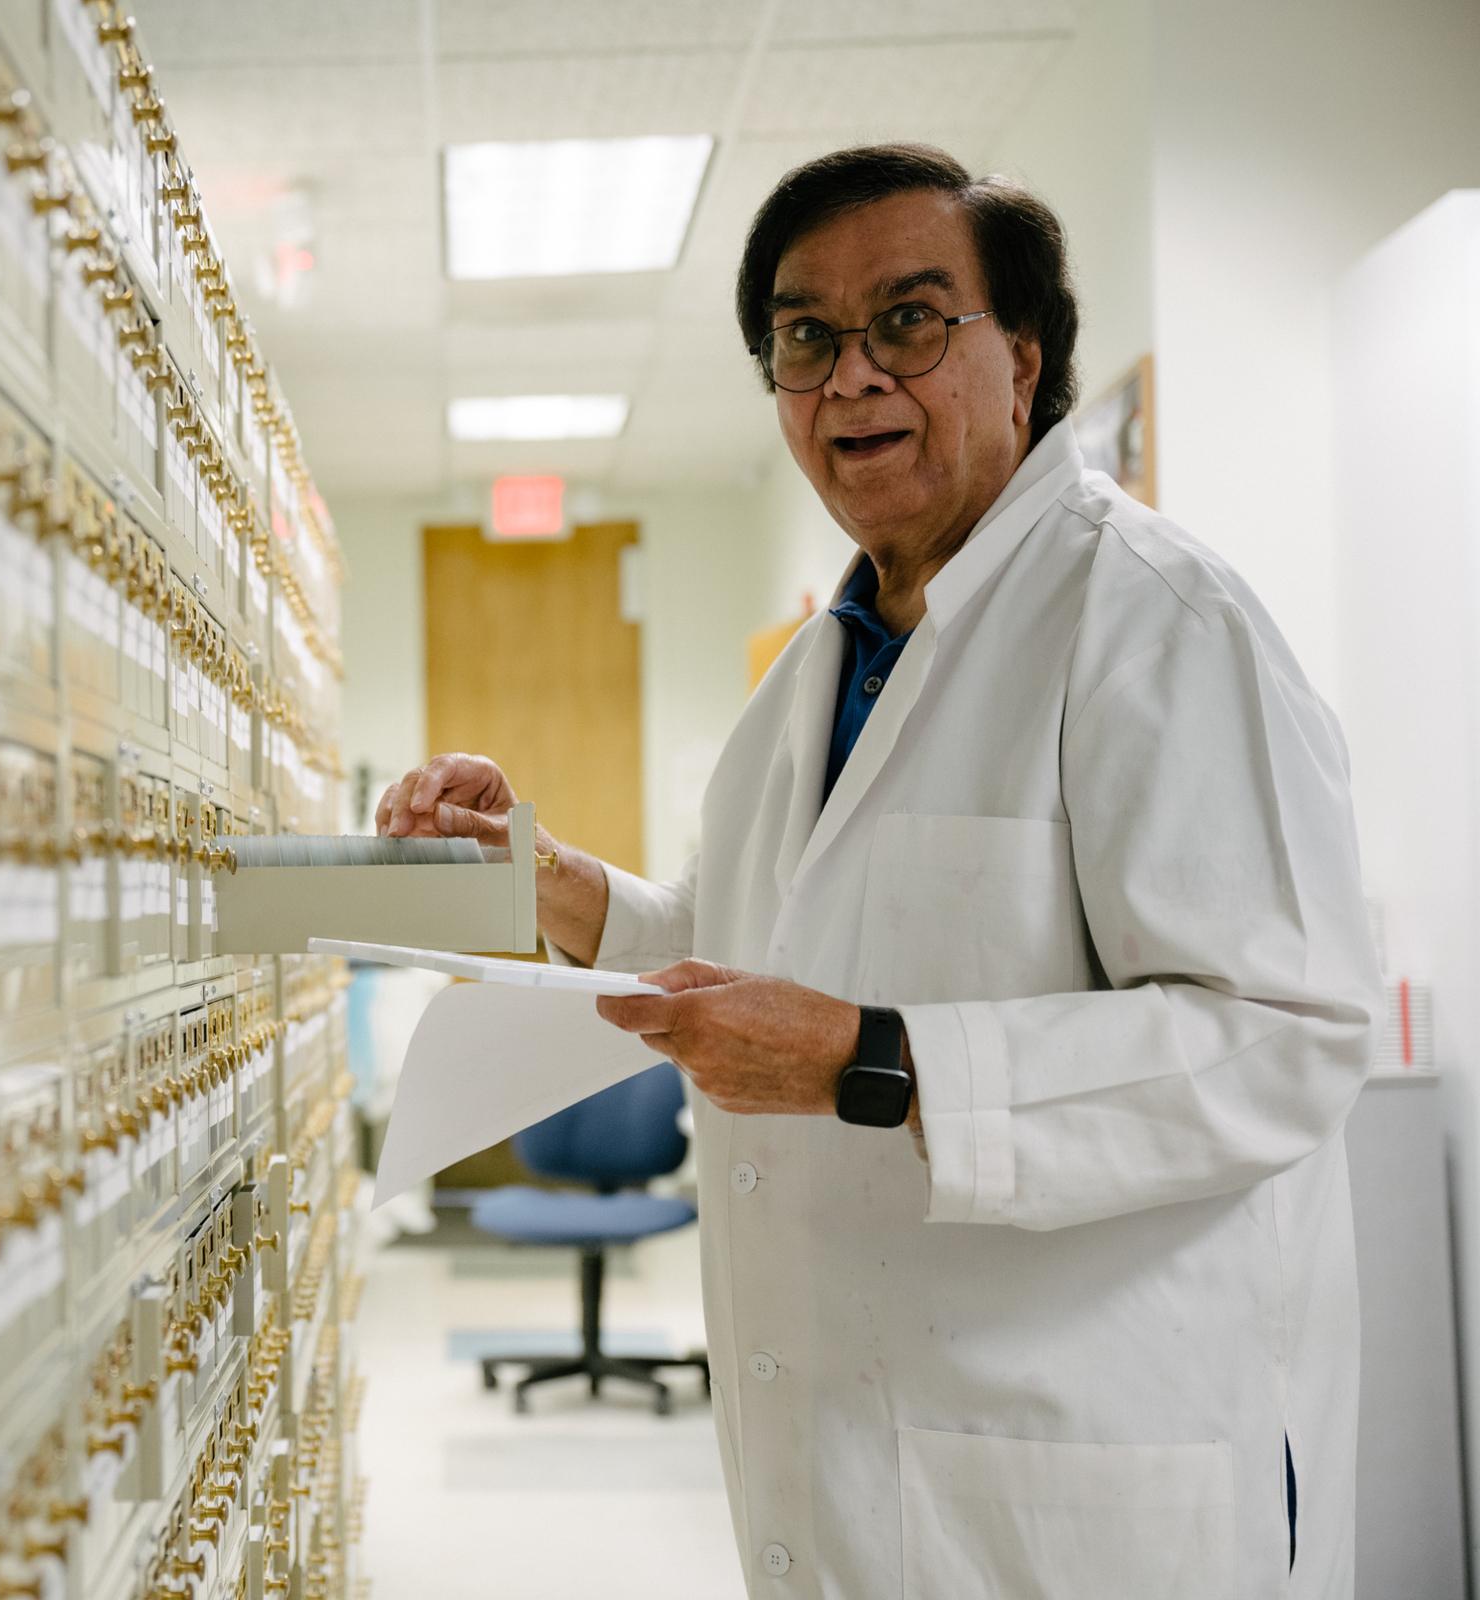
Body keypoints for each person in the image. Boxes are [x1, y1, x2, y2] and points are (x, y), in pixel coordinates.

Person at [376, 144, 1376, 1597]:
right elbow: (752, 942)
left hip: (1079, 1470)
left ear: (1022, 360)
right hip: (855, 1452)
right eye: (805, 337)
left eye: (911, 320)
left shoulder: (1157, 623)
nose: (851, 377)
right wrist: (552, 884)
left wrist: (873, 1063)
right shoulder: (817, 673)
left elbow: (1286, 1037)